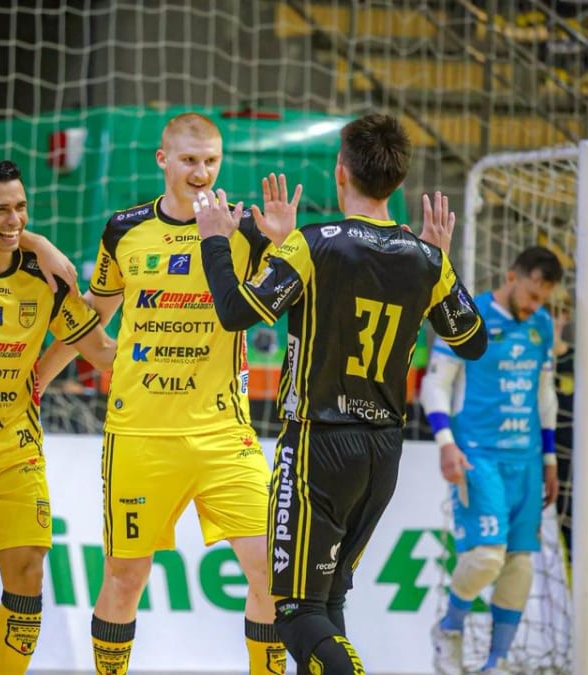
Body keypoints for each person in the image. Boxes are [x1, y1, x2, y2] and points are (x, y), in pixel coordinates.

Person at [196, 112, 488, 674]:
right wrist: (440, 260)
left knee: (295, 609)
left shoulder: (315, 244)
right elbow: (472, 342)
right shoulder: (426, 260)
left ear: (340, 172)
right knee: (328, 600)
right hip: (384, 451)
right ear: (398, 184)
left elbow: (236, 312)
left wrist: (215, 242)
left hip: (318, 446)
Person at [38, 112, 288, 675]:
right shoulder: (124, 230)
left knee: (274, 574)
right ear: (163, 160)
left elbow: (292, 290)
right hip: (140, 435)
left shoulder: (244, 230)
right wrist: (46, 370)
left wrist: (281, 240)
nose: (201, 172)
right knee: (126, 578)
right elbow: (94, 318)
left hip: (225, 435)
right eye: (190, 160)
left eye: (211, 161)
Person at [0, 158, 114, 675]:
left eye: (21, 207)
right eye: (0, 210)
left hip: (14, 444)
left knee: (28, 571)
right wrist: (39, 238)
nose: (14, 219)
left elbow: (101, 350)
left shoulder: (46, 279)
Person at [420, 245, 564, 675]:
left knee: (520, 566)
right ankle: (449, 627)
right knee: (486, 556)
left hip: (527, 460)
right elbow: (435, 384)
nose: (536, 305)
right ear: (511, 277)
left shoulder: (540, 325)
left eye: (544, 298)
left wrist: (551, 459)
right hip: (478, 454)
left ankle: (495, 663)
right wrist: (446, 441)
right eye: (532, 294)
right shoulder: (468, 317)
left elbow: (546, 396)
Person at [549, 297, 588, 656]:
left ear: (567, 317)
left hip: (578, 478)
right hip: (537, 475)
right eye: (546, 314)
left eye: (557, 314)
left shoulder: (581, 361)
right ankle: (549, 642)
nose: (552, 321)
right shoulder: (533, 361)